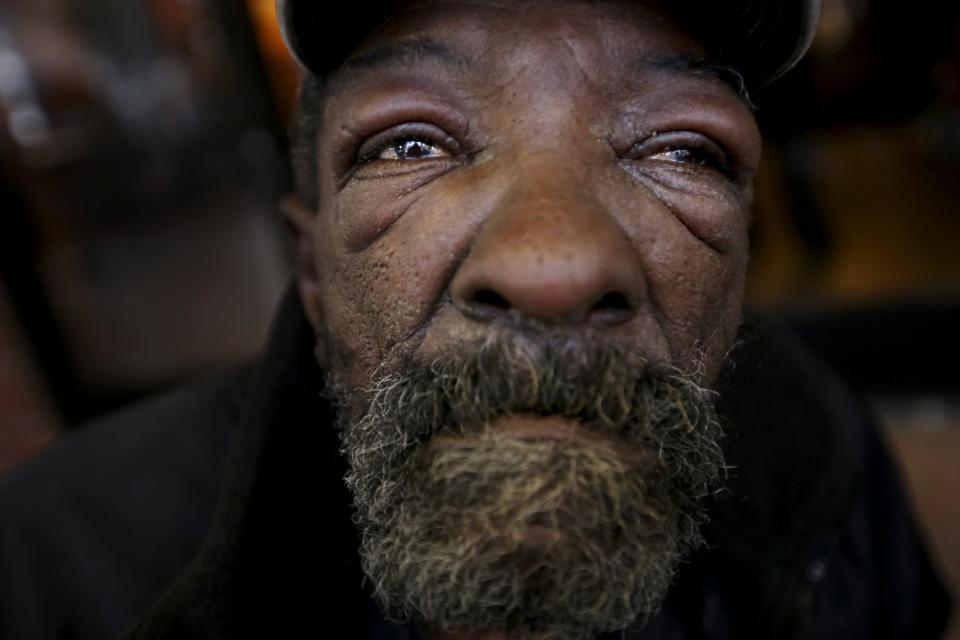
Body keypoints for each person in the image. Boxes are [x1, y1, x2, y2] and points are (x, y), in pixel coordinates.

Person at [0, 1, 951, 638]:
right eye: (410, 142)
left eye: (684, 150)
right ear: (313, 270)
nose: (554, 263)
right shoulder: (47, 571)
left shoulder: (825, 462)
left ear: (739, 262)